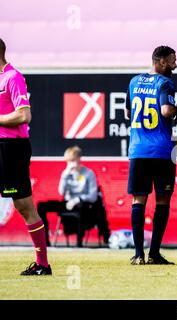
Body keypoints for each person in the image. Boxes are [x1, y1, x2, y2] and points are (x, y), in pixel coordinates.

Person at [0, 38, 51, 275]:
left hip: (11, 148)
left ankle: (43, 264)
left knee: (23, 205)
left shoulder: (13, 77)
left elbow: (24, 116)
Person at [126, 46, 177, 265]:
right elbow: (167, 111)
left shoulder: (134, 81)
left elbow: (128, 112)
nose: (176, 64)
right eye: (173, 61)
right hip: (162, 151)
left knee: (139, 200)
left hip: (138, 149)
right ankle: (154, 253)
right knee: (162, 200)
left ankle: (138, 254)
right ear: (163, 62)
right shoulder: (166, 83)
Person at [38, 146, 110, 247]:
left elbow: (93, 196)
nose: (71, 164)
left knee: (82, 206)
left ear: (79, 159)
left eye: (73, 160)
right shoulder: (66, 173)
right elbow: (61, 192)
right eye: (68, 161)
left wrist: (77, 199)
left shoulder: (89, 173)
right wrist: (65, 176)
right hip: (68, 202)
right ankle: (45, 241)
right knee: (41, 206)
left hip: (84, 204)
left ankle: (79, 242)